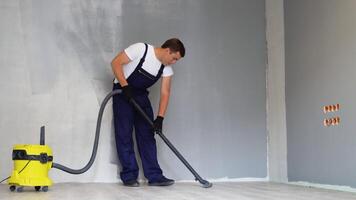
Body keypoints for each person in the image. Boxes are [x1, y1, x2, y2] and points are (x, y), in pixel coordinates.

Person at [111, 38, 185, 187]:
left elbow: (165, 93)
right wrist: (125, 87)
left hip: (141, 96)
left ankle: (155, 176)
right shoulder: (141, 49)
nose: (174, 62)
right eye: (174, 58)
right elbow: (115, 63)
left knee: (147, 136)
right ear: (168, 50)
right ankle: (129, 175)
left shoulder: (166, 68)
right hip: (122, 93)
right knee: (124, 134)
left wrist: (160, 118)